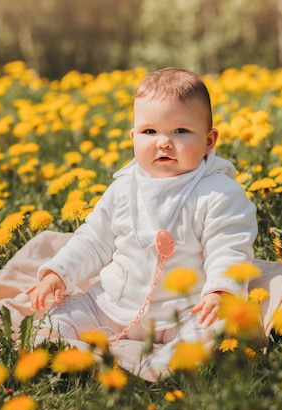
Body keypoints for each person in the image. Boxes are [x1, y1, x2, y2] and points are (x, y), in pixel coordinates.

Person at [26, 67, 258, 375]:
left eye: (181, 131)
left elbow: (229, 246)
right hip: (114, 304)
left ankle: (163, 366)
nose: (163, 142)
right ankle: (63, 349)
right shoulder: (123, 188)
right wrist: (59, 272)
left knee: (216, 328)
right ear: (133, 137)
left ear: (209, 140)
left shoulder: (218, 193)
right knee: (54, 316)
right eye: (150, 132)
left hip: (186, 309)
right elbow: (94, 238)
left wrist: (221, 289)